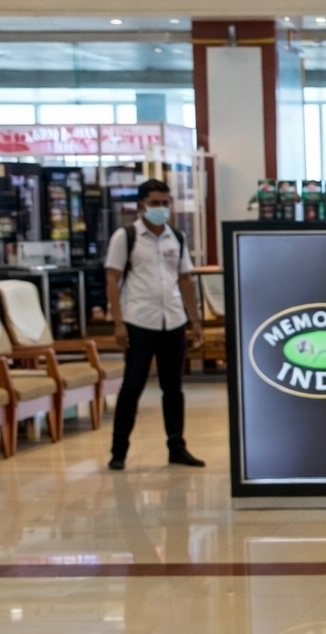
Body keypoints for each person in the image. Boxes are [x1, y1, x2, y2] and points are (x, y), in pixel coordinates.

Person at [103, 178, 205, 471]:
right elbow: (112, 279)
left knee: (173, 388)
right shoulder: (126, 237)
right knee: (132, 386)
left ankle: (177, 447)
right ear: (141, 205)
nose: (160, 208)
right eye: (154, 203)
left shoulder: (177, 237)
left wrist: (194, 320)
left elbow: (185, 279)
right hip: (139, 321)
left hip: (172, 320)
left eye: (164, 203)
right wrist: (119, 323)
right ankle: (118, 450)